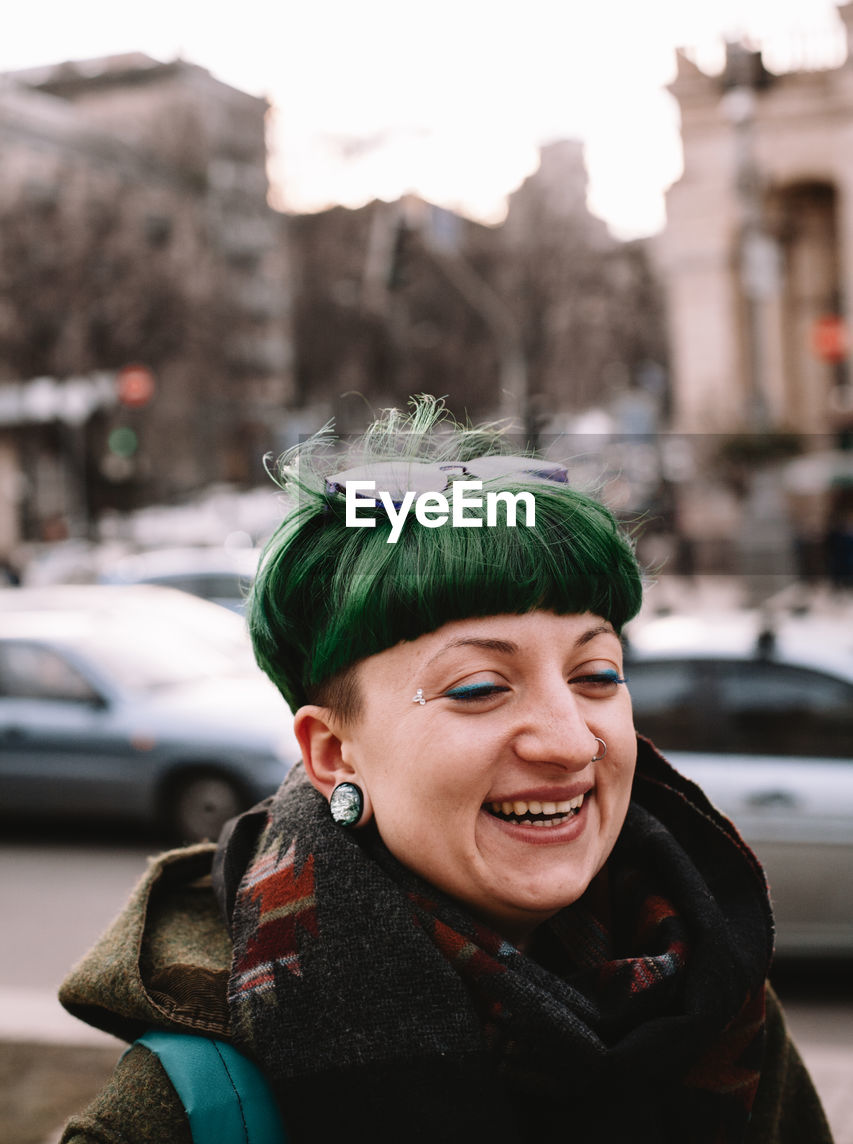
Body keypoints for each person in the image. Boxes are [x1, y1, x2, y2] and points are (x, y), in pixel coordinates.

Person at [60, 398, 832, 1143]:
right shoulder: (186, 1110)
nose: (570, 743)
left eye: (595, 675)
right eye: (478, 689)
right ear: (333, 753)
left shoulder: (720, 1001)